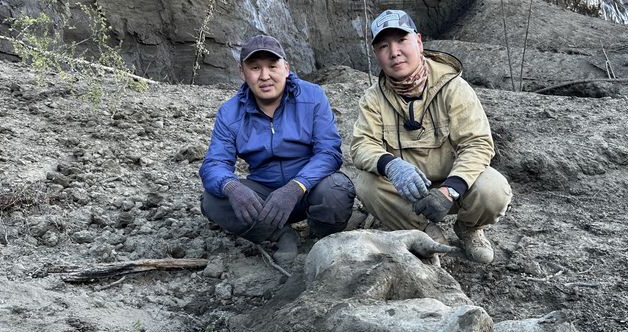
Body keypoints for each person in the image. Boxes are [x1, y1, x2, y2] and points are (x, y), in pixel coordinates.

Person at [350, 10, 513, 264]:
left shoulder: (453, 87)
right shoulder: (372, 98)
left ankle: (469, 228)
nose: (394, 52)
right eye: (384, 46)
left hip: (455, 186)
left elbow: (478, 144)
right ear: (376, 55)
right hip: (407, 192)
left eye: (401, 41)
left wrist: (450, 190)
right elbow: (362, 146)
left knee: (494, 189)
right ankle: (422, 230)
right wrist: (391, 166)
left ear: (418, 41)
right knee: (366, 184)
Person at [200, 35, 355, 263]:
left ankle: (321, 237)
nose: (265, 76)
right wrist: (232, 187)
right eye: (255, 68)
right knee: (212, 200)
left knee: (337, 189)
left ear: (286, 68)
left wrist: (296, 186)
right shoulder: (229, 112)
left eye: (272, 66)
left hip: (309, 190)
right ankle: (280, 234)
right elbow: (214, 164)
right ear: (242, 73)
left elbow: (329, 152)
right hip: (264, 197)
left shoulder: (313, 96)